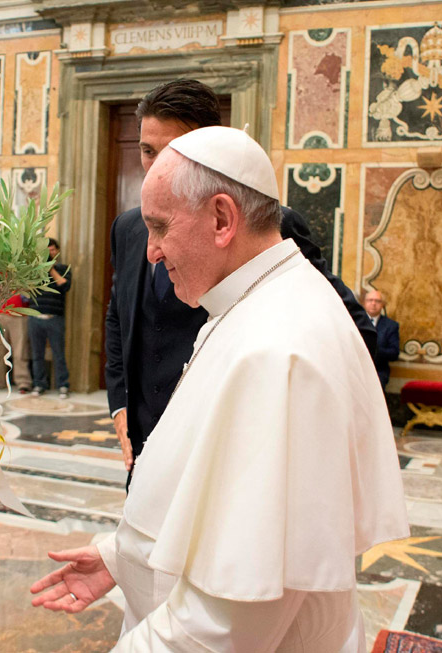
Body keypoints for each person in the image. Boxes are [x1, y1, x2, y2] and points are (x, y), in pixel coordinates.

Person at [31, 126, 407, 651]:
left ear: (223, 219)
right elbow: (207, 478)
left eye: (160, 228)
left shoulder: (280, 348)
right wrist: (124, 558)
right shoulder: (253, 300)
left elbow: (227, 620)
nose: (152, 253)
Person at [104, 79, 377, 486]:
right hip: (146, 459)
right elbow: (118, 316)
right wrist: (120, 404)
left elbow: (353, 336)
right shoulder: (127, 229)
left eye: (173, 151)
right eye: (147, 151)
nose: (156, 165)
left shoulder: (269, 226)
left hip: (230, 467)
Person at [29, 238, 71, 398]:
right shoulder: (35, 270)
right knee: (37, 354)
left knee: (58, 353)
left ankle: (63, 385)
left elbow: (65, 285)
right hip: (35, 318)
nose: (50, 253)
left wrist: (51, 269)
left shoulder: (63, 269)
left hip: (55, 318)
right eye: (47, 250)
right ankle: (39, 384)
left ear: (57, 251)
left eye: (52, 250)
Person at [364, 289, 400, 390]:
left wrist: (376, 349)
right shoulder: (354, 322)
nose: (373, 303)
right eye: (370, 300)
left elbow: (394, 353)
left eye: (377, 301)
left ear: (383, 304)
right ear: (364, 303)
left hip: (378, 371)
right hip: (357, 370)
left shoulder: (391, 326)